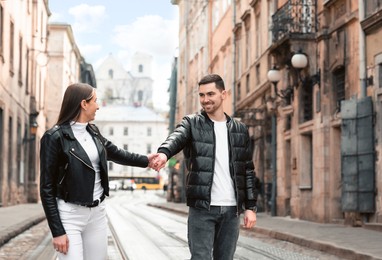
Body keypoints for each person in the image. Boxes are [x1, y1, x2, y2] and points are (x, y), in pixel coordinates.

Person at [40, 83, 155, 260]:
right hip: (70, 215)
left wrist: (147, 160)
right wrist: (57, 231)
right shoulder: (54, 137)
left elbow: (117, 153)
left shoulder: (93, 132)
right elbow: (46, 188)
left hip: (97, 214)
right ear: (83, 104)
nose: (98, 105)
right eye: (95, 101)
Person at [152, 74, 260, 260]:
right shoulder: (192, 123)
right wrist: (164, 152)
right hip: (202, 208)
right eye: (201, 95)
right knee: (200, 257)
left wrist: (250, 207)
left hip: (231, 210)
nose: (205, 100)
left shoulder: (239, 129)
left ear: (223, 94)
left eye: (210, 94)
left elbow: (247, 170)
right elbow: (176, 137)